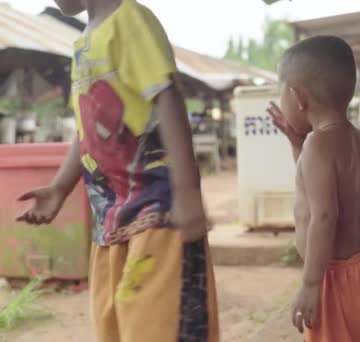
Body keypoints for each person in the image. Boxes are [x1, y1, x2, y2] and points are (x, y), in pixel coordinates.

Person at [16, 0, 219, 341]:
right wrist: (59, 189)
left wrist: (185, 190)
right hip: (111, 219)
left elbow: (167, 97)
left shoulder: (130, 20)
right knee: (116, 324)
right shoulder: (83, 41)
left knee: (156, 324)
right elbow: (87, 128)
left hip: (159, 211)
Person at [267, 36, 360, 342]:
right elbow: (312, 184)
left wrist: (311, 284)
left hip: (335, 274)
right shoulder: (351, 136)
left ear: (299, 97)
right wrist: (296, 145)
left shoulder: (319, 144)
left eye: (282, 91)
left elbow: (325, 216)